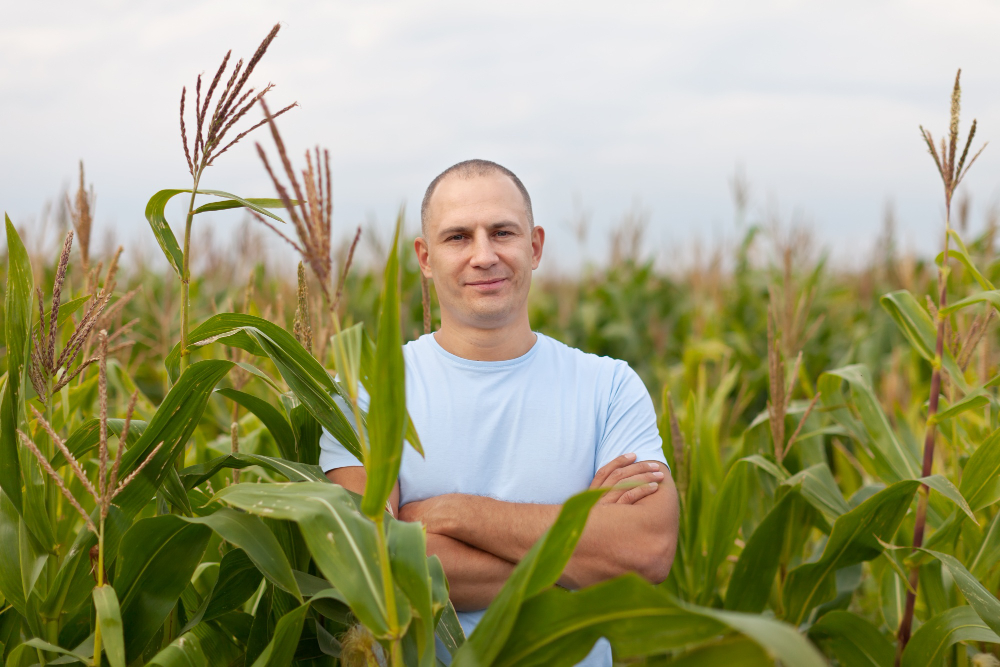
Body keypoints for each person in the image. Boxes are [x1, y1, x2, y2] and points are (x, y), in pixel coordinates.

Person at [320, 159, 679, 666]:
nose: (484, 256)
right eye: (458, 238)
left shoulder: (609, 386)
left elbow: (646, 552)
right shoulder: (370, 388)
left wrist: (450, 515)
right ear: (425, 257)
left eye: (502, 232)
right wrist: (576, 552)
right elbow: (373, 565)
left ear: (534, 246)